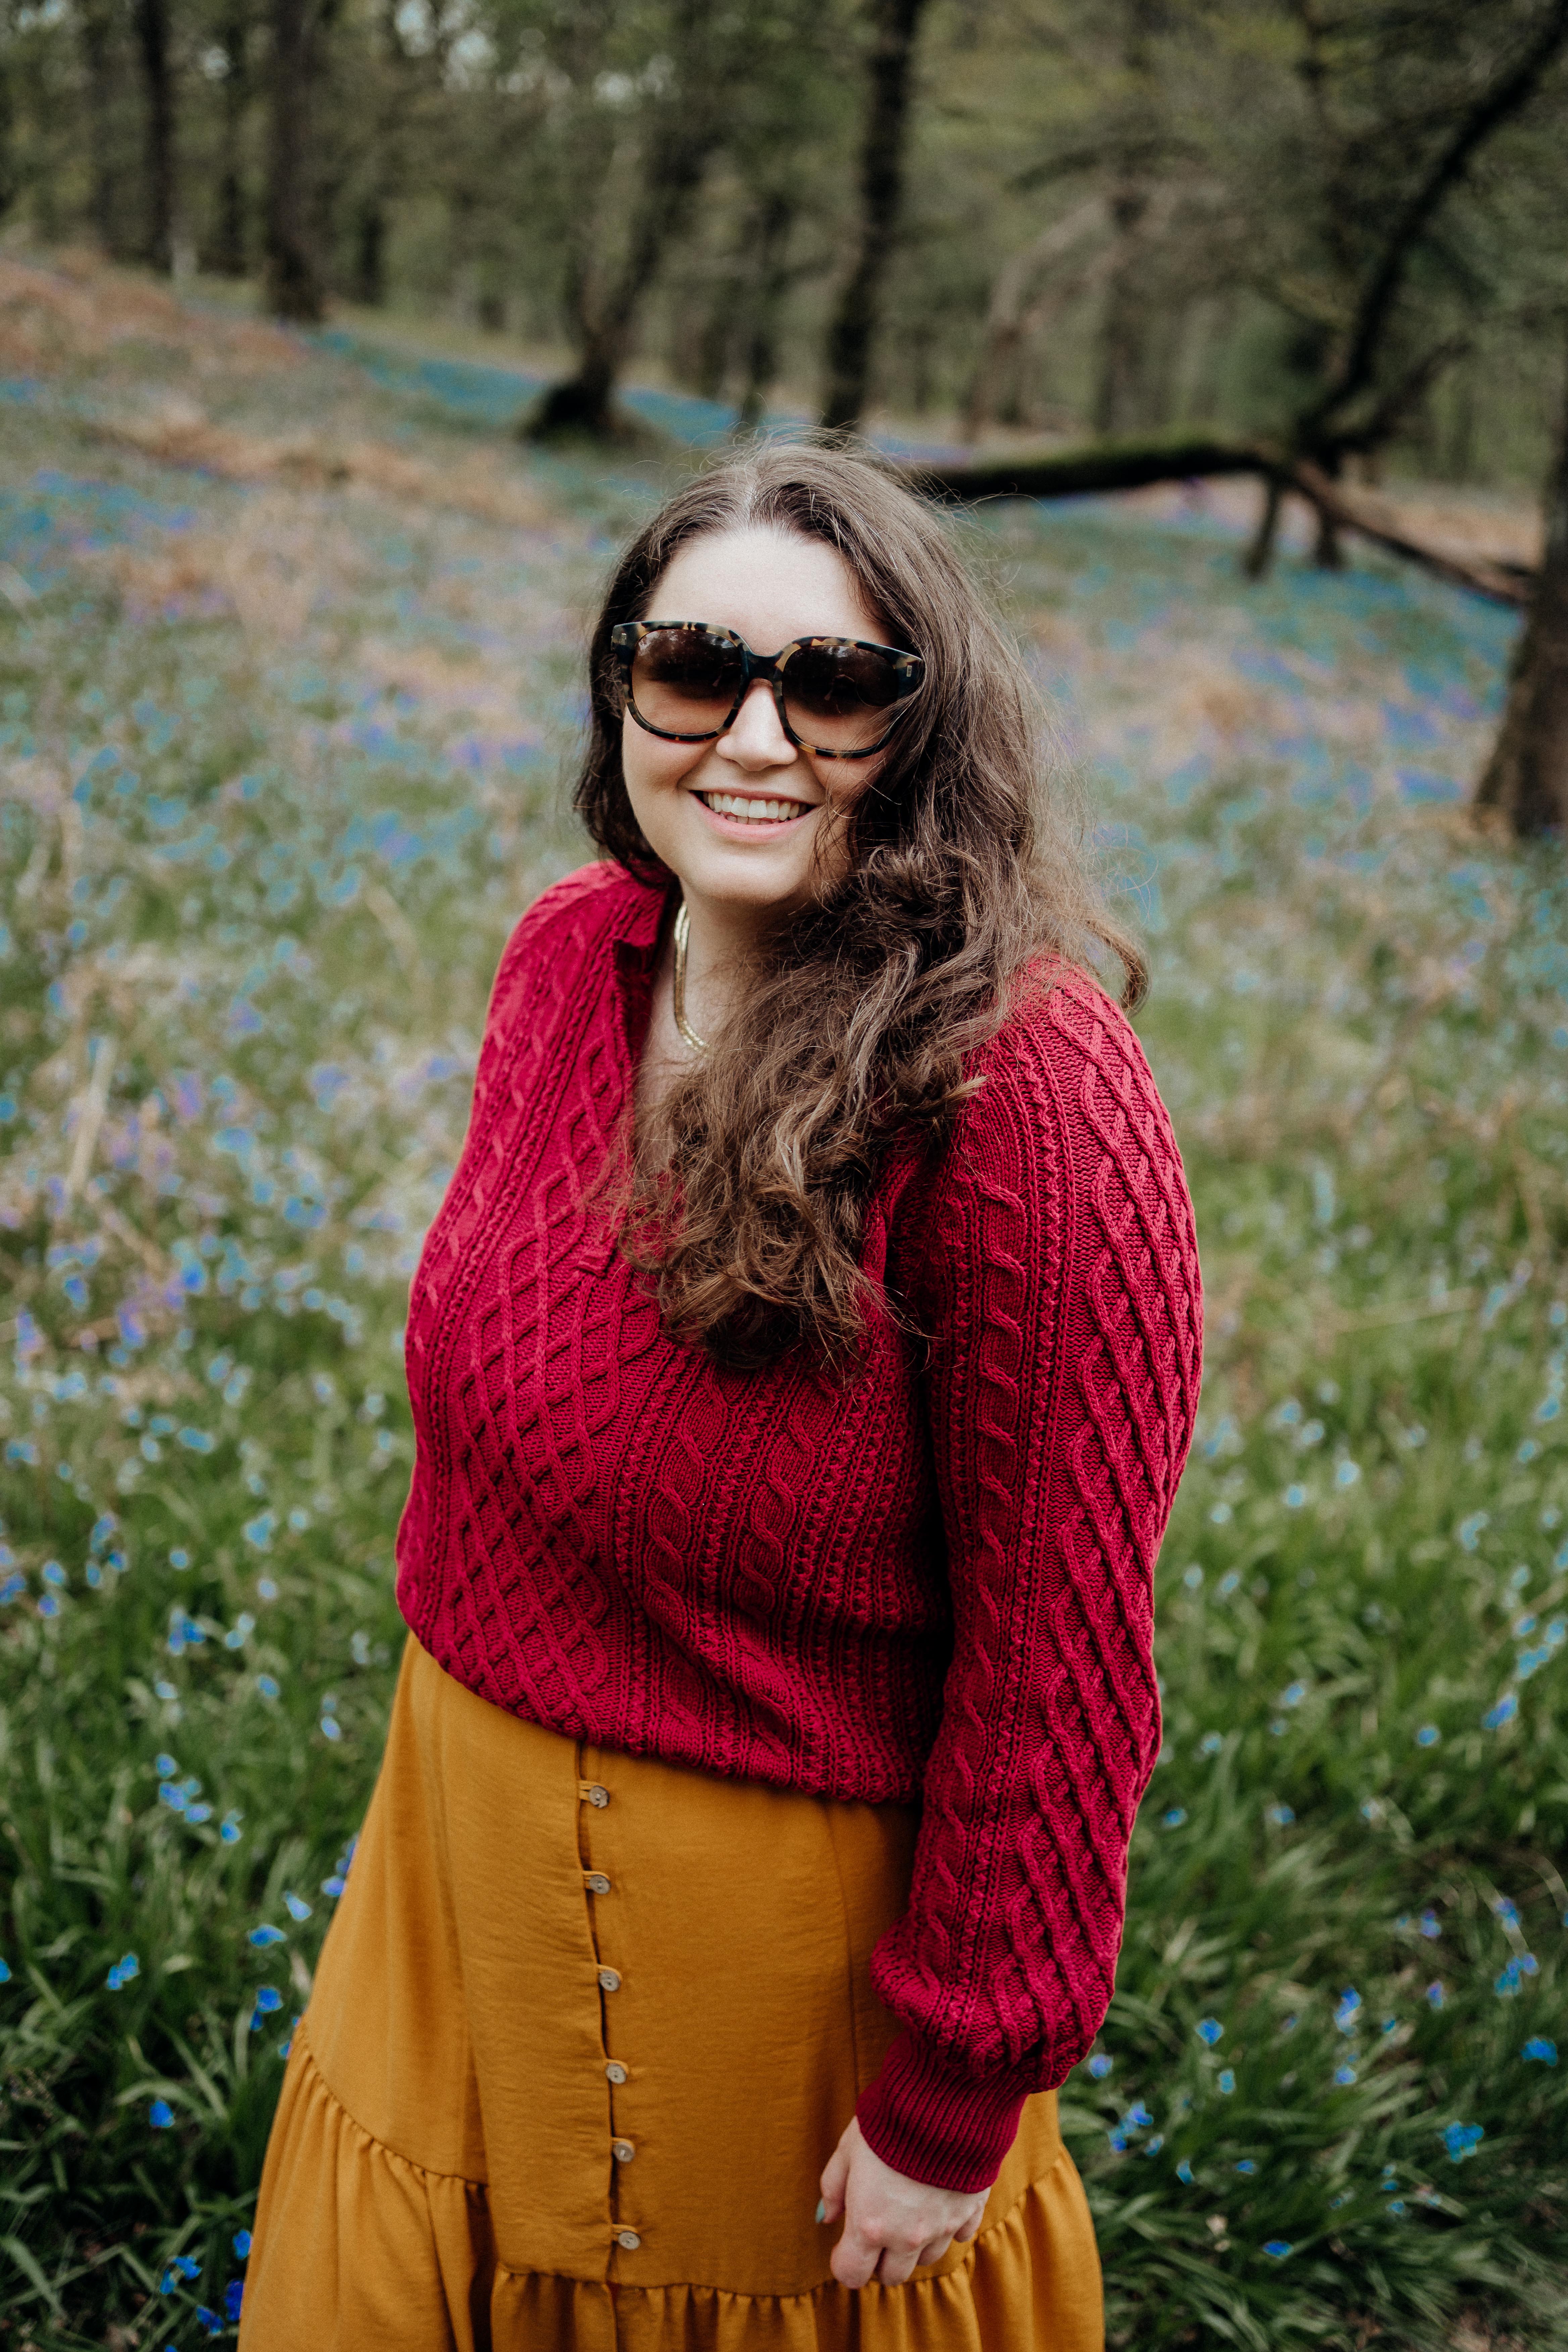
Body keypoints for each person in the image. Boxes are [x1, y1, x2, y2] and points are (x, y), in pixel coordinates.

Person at [239, 442, 1203, 2352]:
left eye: (835, 687)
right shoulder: (567, 957)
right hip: (443, 1884)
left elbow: (1058, 1659)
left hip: (754, 1971)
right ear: (622, 692)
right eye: (695, 670)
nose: (755, 736)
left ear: (925, 729)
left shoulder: (1026, 1097)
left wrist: (959, 2088)